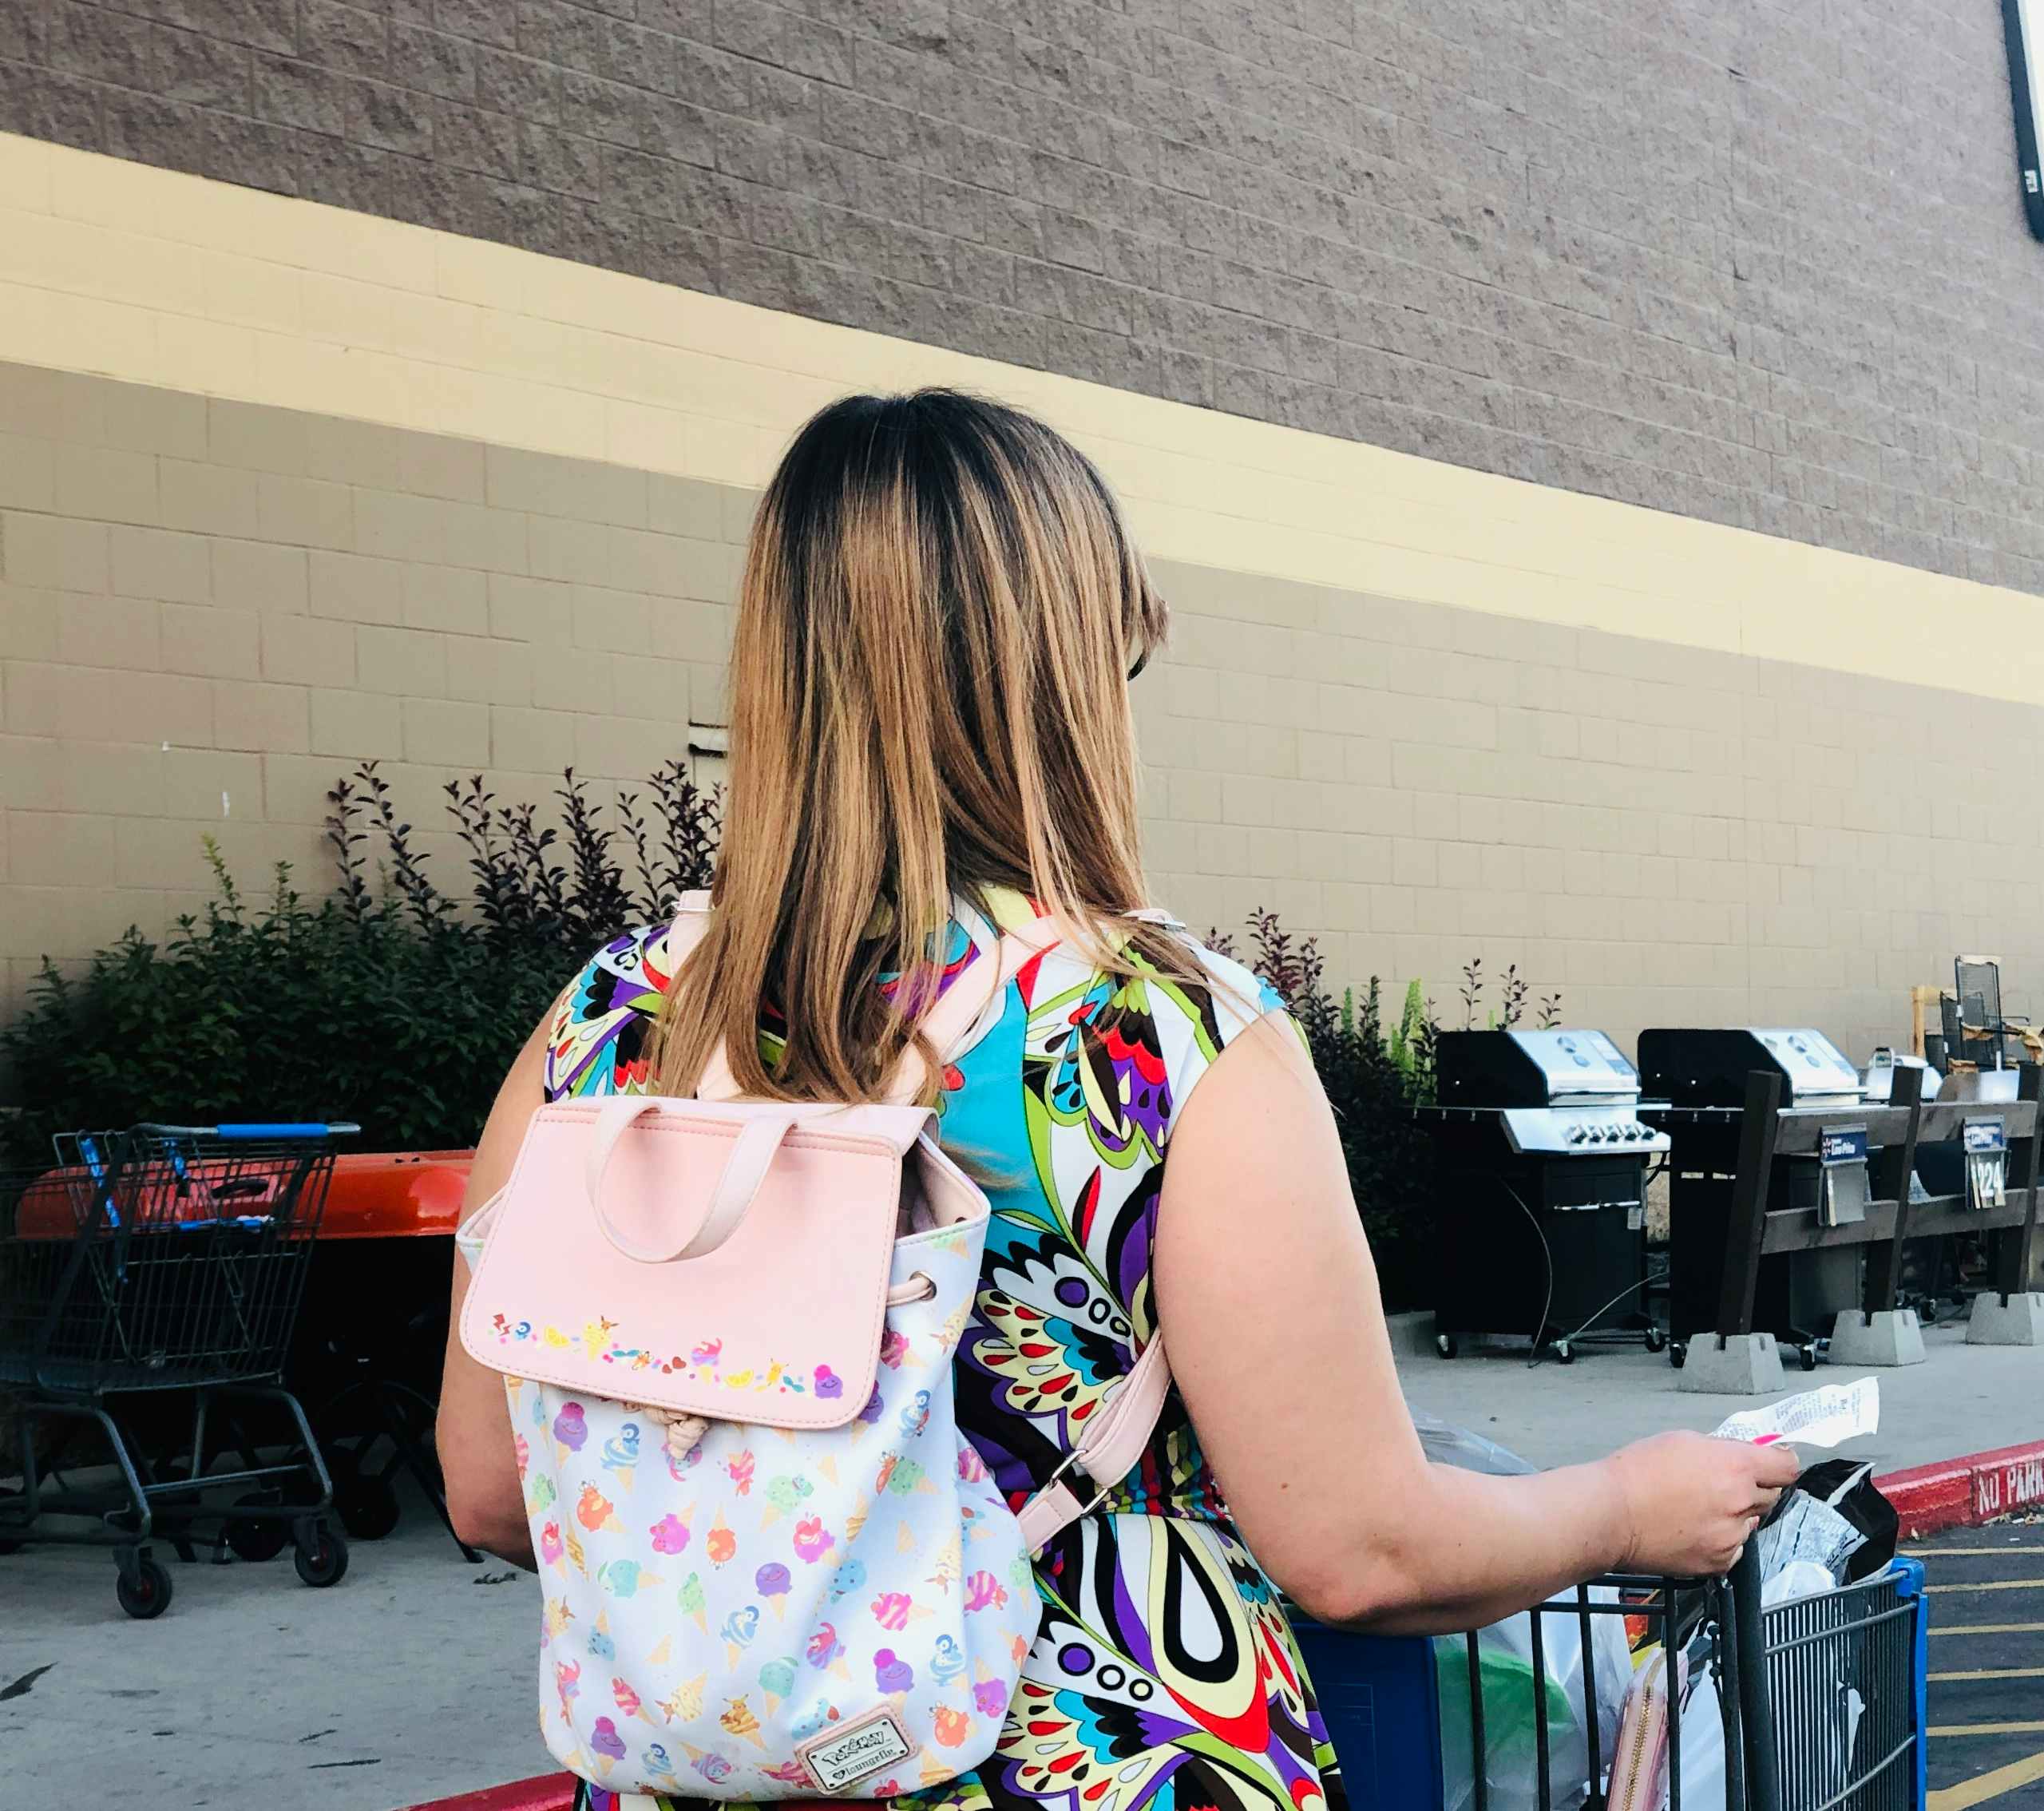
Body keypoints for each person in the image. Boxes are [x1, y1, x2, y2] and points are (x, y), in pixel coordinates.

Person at [434, 389, 1802, 1810]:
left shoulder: (608, 1024)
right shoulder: (1160, 1034)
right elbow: (1357, 1546)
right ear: (1069, 678)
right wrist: (1630, 1506)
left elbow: (486, 1482)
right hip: (1093, 1761)